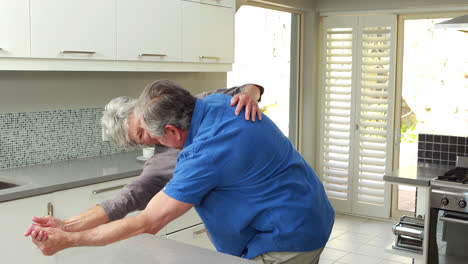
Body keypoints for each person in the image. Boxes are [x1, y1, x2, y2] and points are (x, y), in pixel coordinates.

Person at [26, 80, 334, 264]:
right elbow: (128, 199)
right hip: (309, 210)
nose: (154, 143)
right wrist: (66, 225)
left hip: (287, 236)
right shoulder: (213, 103)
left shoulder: (202, 153)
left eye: (153, 134)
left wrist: (69, 241)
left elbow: (148, 221)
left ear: (170, 130)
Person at [24, 83, 263, 241]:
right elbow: (125, 201)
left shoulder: (192, 106)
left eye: (141, 124)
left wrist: (250, 97)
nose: (150, 131)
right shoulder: (160, 164)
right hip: (242, 228)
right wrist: (66, 225)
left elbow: (247, 88)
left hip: (265, 204)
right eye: (141, 136)